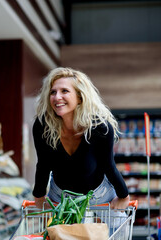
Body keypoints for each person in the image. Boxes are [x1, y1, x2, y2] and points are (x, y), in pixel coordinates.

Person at [32, 67, 130, 210]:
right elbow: (43, 165)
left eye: (64, 91)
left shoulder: (99, 127)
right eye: (53, 92)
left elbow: (108, 165)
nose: (57, 97)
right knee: (58, 233)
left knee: (112, 231)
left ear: (79, 97)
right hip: (60, 198)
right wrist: (39, 197)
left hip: (99, 196)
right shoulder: (43, 126)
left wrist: (124, 196)